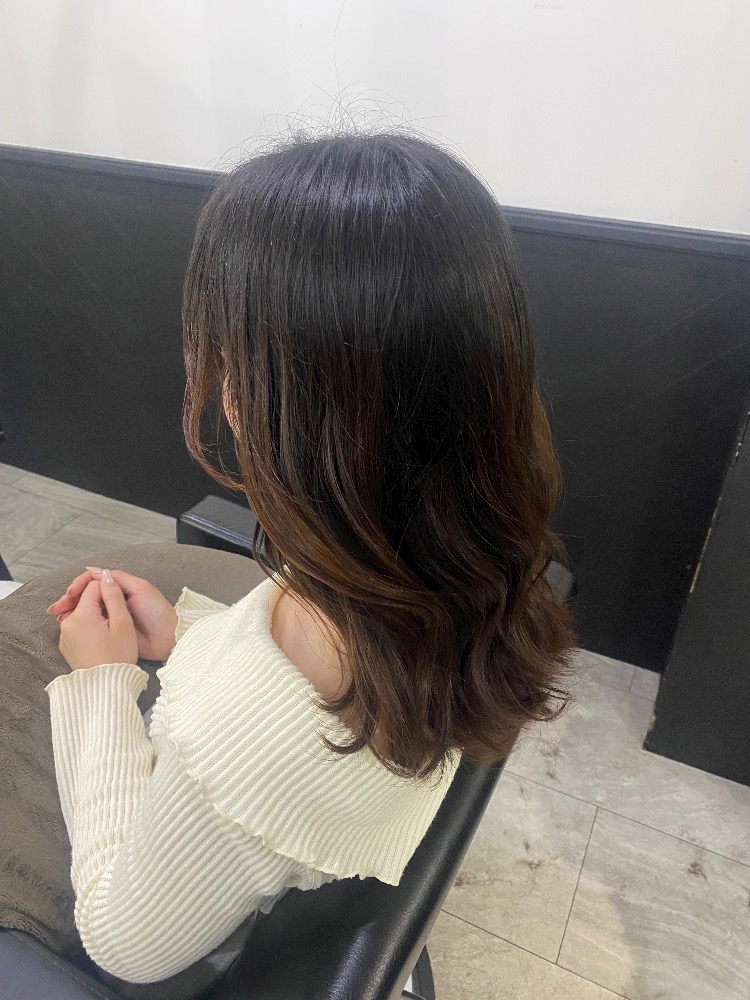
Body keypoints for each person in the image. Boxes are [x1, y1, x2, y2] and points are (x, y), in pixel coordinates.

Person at [7, 126, 578, 994]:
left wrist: (100, 681)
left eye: (232, 364)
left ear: (300, 415)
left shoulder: (244, 739)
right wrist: (188, 637)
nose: (225, 393)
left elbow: (123, 941)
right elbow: (283, 684)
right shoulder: (469, 567)